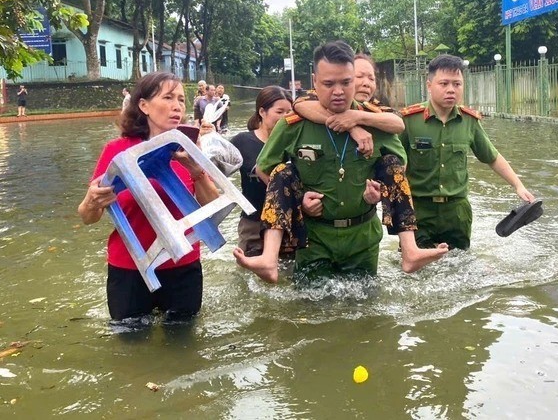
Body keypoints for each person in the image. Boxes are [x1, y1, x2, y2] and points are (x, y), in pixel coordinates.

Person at [234, 40, 406, 283]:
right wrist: (299, 199)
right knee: (310, 311)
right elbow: (266, 168)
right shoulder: (295, 124)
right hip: (314, 240)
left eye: (346, 82)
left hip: (363, 239)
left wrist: (378, 191)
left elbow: (399, 166)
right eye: (328, 84)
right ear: (315, 81)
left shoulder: (375, 123)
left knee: (367, 312)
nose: (338, 91)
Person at [78, 71, 219, 322]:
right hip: (129, 267)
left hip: (183, 265)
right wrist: (92, 201)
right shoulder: (117, 150)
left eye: (181, 100)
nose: (177, 106)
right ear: (144, 105)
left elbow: (213, 208)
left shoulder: (188, 149)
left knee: (183, 344)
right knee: (130, 345)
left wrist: (196, 171)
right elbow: (88, 218)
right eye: (167, 98)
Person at [289, 53, 448, 272]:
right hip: (316, 236)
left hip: (363, 234)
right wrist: (348, 125)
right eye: (359, 76)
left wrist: (358, 119)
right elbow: (299, 103)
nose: (366, 83)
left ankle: (410, 249)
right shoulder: (307, 109)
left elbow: (398, 134)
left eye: (371, 78)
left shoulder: (376, 114)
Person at [401, 54, 535, 252]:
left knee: (460, 265)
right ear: (429, 85)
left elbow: (492, 156)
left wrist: (518, 185)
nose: (451, 90)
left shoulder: (469, 121)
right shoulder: (410, 121)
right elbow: (396, 166)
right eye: (444, 83)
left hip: (457, 211)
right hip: (419, 209)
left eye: (457, 84)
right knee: (418, 269)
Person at [229, 86, 293, 257]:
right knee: (251, 278)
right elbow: (216, 170)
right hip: (253, 225)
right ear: (262, 112)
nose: (285, 117)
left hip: (288, 224)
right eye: (280, 111)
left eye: (289, 112)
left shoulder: (294, 144)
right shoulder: (242, 141)